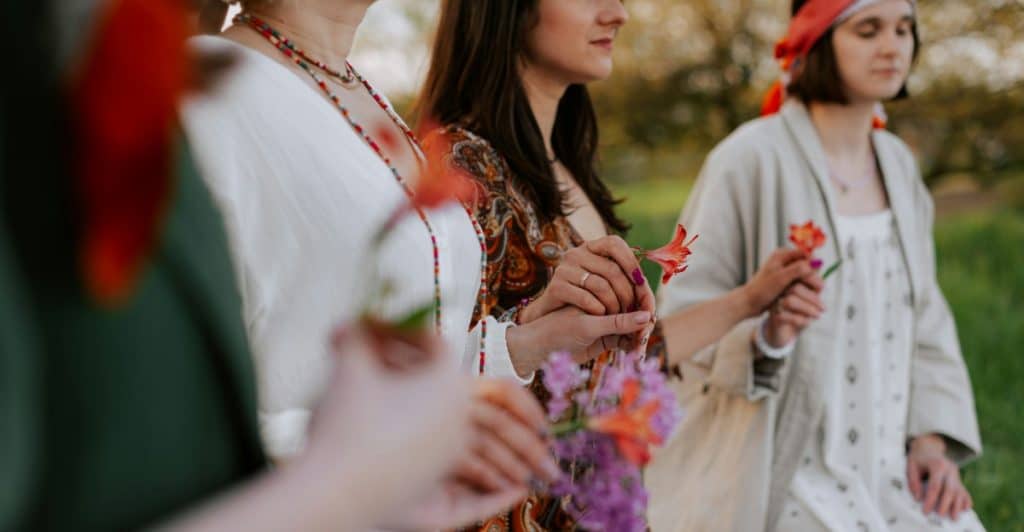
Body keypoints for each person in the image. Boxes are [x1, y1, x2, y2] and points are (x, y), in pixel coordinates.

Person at [0, 0, 545, 529]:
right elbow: (177, 404)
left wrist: (520, 345)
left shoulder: (360, 93)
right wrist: (355, 478)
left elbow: (391, 352)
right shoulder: (216, 97)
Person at [416, 0, 822, 529]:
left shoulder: (564, 167)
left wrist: (753, 299)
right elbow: (444, 371)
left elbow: (633, 354)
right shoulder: (460, 170)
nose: (619, 13)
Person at [646, 1, 984, 530]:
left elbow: (926, 316)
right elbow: (678, 324)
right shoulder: (748, 158)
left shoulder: (898, 163)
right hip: (778, 470)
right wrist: (766, 337)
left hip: (891, 468)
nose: (893, 46)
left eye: (903, 29)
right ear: (817, 40)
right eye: (868, 30)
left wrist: (932, 441)